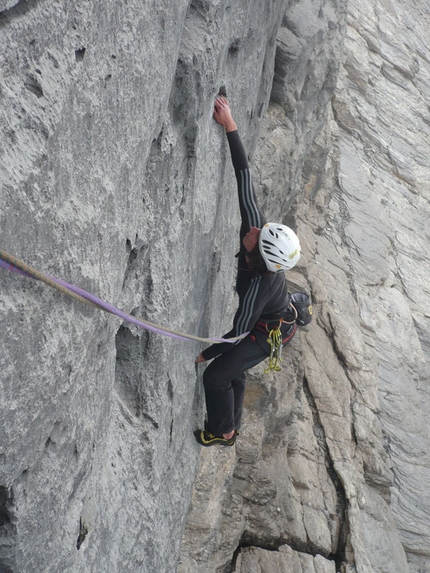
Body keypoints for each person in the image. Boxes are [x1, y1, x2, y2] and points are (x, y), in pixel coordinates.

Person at [194, 95, 302, 447]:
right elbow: (245, 180)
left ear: (260, 256)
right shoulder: (257, 233)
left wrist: (205, 353)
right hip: (263, 320)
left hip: (267, 333)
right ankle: (230, 425)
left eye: (258, 235)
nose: (253, 228)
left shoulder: (259, 286)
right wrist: (230, 125)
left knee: (215, 376)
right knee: (230, 370)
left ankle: (223, 432)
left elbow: (239, 330)